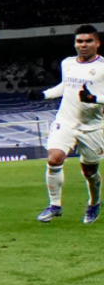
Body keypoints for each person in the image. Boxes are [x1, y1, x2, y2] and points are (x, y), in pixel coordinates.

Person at [38, 25, 104, 223]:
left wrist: (94, 99)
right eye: (79, 41)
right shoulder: (67, 63)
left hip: (92, 126)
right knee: (54, 158)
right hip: (65, 121)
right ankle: (55, 205)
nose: (83, 45)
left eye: (88, 41)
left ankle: (94, 203)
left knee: (89, 171)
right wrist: (44, 94)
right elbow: (66, 86)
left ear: (97, 43)